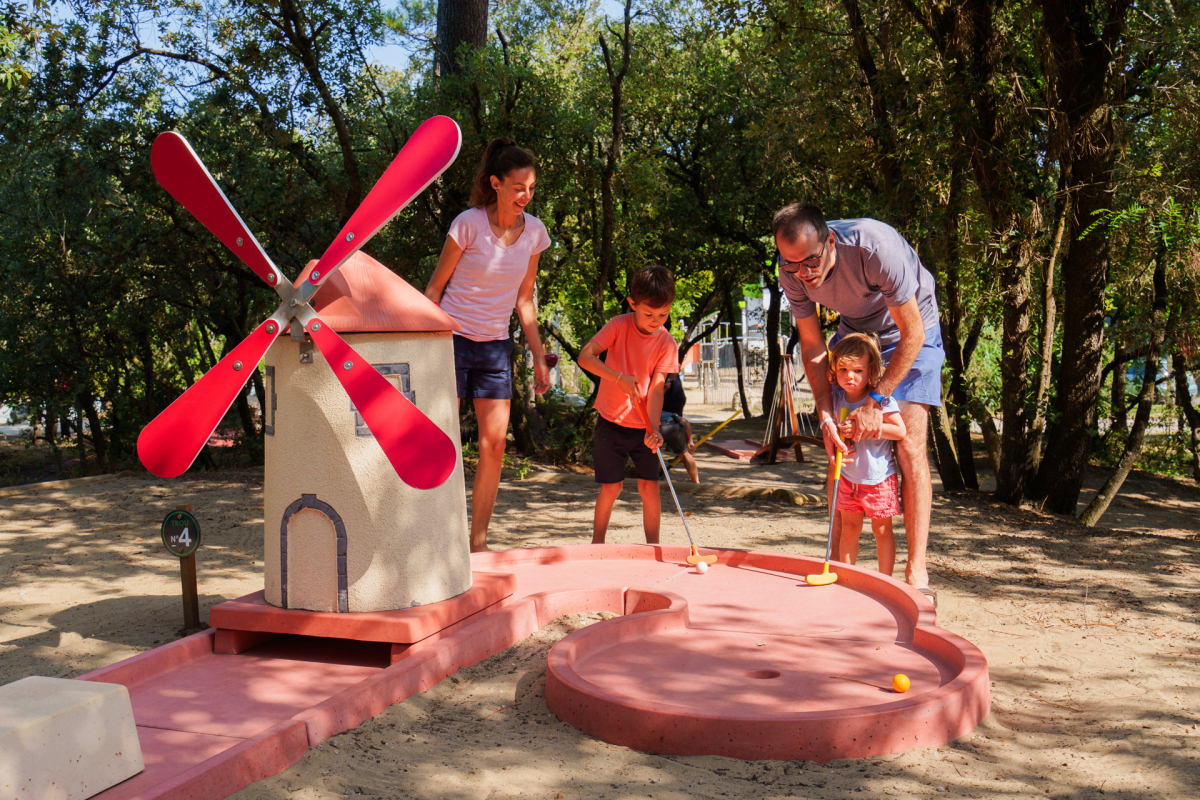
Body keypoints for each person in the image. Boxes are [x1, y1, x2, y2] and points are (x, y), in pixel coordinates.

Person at [772, 202, 944, 605]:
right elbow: (813, 345)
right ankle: (837, 563)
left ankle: (916, 570)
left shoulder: (874, 248)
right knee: (840, 444)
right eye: (791, 264)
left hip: (911, 331)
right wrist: (826, 411)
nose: (803, 273)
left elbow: (912, 333)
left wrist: (877, 400)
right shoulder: (792, 270)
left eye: (810, 261)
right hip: (856, 335)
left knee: (909, 447)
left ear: (830, 241)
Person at [425, 137, 551, 553]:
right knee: (443, 442)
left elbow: (524, 299)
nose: (526, 196)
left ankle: (477, 544)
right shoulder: (467, 224)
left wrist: (537, 356)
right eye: (519, 187)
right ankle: (435, 537)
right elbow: (435, 289)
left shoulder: (534, 233)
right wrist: (426, 347)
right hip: (452, 342)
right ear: (495, 184)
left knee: (493, 444)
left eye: (531, 188)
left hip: (496, 348)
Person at [578, 265, 680, 544]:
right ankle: (596, 545)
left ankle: (654, 548)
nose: (656, 320)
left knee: (650, 488)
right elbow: (585, 357)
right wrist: (617, 378)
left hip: (645, 428)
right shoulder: (618, 325)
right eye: (648, 313)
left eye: (663, 314)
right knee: (612, 488)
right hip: (611, 422)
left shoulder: (667, 343)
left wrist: (655, 429)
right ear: (633, 303)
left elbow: (657, 390)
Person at [828, 332, 907, 576]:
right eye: (843, 369)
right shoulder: (837, 398)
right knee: (849, 529)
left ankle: (886, 580)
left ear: (871, 372)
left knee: (881, 531)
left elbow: (900, 431)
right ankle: (847, 577)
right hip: (849, 477)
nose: (849, 376)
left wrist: (873, 428)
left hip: (878, 478)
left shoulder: (882, 401)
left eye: (858, 370)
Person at [660, 373, 700, 483]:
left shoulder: (655, 411)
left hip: (658, 426)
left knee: (650, 451)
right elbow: (685, 422)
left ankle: (654, 478)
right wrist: (689, 441)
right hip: (674, 425)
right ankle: (696, 481)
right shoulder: (670, 414)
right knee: (684, 454)